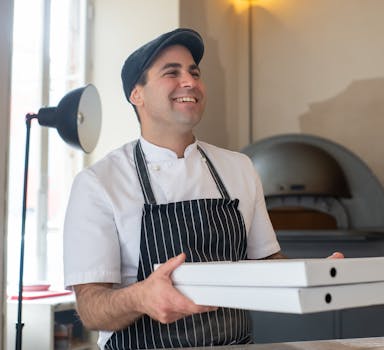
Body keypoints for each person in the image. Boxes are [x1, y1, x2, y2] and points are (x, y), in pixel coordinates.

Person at [63, 28, 342, 349]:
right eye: (172, 73)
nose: (190, 82)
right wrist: (140, 297)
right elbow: (91, 308)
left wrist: (313, 274)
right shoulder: (100, 183)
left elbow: (267, 265)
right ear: (136, 95)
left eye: (194, 73)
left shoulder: (238, 168)